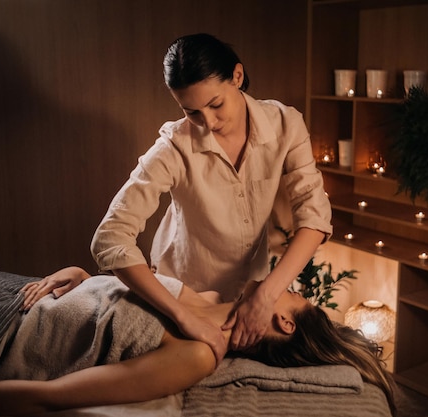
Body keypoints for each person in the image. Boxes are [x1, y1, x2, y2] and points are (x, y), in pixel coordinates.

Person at [88, 33, 332, 362]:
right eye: (192, 112)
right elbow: (109, 238)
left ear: (237, 76)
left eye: (216, 104)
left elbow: (314, 217)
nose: (209, 122)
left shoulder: (286, 125)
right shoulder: (174, 146)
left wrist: (266, 295)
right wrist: (183, 316)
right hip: (180, 298)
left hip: (248, 293)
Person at [0, 266, 397, 416]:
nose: (283, 282)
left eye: (294, 293)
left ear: (285, 323)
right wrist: (79, 275)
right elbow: (115, 305)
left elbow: (49, 397)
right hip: (12, 292)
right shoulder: (201, 299)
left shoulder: (197, 356)